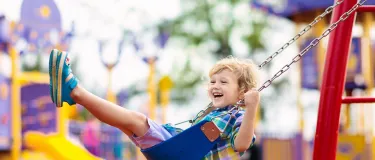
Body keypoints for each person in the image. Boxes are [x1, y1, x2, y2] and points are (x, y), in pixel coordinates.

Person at [49, 48, 260, 159]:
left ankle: (76, 92)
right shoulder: (212, 115)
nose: (215, 85)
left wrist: (251, 108)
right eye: (213, 81)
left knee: (136, 120)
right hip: (176, 149)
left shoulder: (237, 117)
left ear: (242, 91)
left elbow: (241, 144)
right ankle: (73, 95)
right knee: (125, 124)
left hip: (179, 153)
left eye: (224, 82)